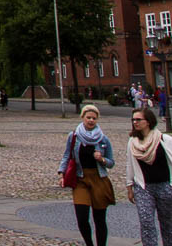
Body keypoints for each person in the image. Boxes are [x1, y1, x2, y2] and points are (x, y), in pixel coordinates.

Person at [126, 107, 172, 246]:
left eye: (138, 119)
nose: (135, 122)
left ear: (148, 121)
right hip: (143, 187)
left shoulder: (164, 139)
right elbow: (130, 165)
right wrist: (129, 186)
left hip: (165, 186)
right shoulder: (132, 141)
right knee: (146, 222)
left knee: (168, 224)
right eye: (133, 120)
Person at [58, 104, 115, 246]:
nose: (91, 120)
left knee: (99, 218)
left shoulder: (103, 139)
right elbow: (67, 156)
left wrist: (101, 159)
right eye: (88, 117)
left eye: (94, 118)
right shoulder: (74, 136)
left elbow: (111, 162)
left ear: (97, 120)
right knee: (82, 217)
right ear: (82, 117)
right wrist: (61, 173)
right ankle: (89, 243)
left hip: (99, 179)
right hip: (80, 180)